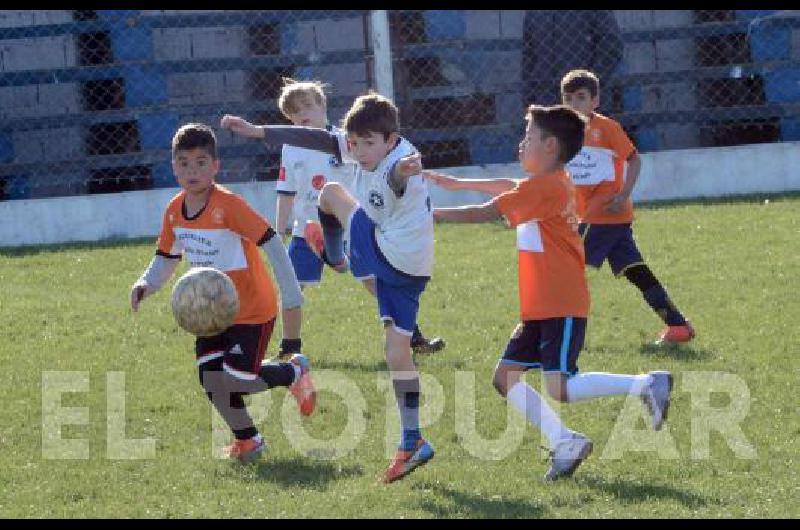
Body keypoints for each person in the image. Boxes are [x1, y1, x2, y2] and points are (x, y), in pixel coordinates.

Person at [428, 104, 673, 481]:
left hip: (561, 303)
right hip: (542, 305)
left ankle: (646, 384)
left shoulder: (545, 187)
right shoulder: (551, 182)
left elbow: (489, 211)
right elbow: (512, 189)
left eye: (528, 137)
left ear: (551, 146)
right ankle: (565, 442)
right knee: (505, 378)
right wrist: (457, 184)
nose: (521, 144)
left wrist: (435, 215)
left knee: (561, 386)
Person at [221, 92, 435, 483]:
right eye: (353, 142)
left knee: (331, 194)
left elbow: (398, 176)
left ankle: (336, 255)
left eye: (368, 143)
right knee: (396, 352)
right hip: (413, 268)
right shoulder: (365, 145)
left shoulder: (397, 162)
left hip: (390, 251)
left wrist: (405, 170)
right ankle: (412, 440)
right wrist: (259, 132)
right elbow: (318, 138)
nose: (358, 150)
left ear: (391, 140)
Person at [129, 123, 315, 463]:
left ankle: (293, 372)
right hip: (208, 312)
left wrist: (290, 294)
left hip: (252, 310)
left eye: (201, 162)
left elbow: (272, 241)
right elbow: (167, 256)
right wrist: (146, 283)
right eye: (183, 163)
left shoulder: (228, 205)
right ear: (173, 167)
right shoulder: (174, 210)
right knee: (211, 378)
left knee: (237, 381)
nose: (192, 170)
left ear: (216, 166)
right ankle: (249, 440)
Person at [272, 78, 445, 357]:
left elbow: (377, 179)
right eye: (292, 111)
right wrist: (278, 231)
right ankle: (289, 347)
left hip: (348, 228)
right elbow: (286, 191)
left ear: (323, 106)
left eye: (306, 105)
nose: (301, 114)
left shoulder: (352, 141)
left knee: (375, 282)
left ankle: (412, 334)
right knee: (291, 287)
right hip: (307, 231)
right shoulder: (290, 149)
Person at [560, 69, 694, 345]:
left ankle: (551, 333)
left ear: (595, 101)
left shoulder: (607, 129)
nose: (574, 104)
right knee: (637, 271)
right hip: (602, 218)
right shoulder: (565, 133)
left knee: (563, 265)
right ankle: (678, 326)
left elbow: (634, 160)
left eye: (581, 97)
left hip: (605, 215)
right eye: (568, 98)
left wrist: (623, 194)